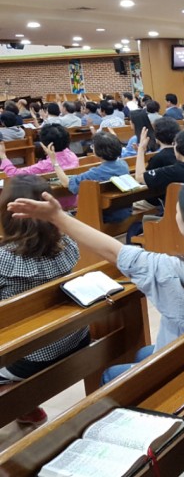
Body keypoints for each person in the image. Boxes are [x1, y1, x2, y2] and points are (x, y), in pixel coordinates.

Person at [8, 177, 184, 401]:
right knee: (142, 353)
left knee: (111, 376)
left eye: (177, 211)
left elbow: (112, 250)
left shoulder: (172, 271)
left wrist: (57, 216)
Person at [0, 175, 84, 427]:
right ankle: (28, 408)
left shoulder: (4, 258)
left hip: (28, 356)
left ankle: (20, 402)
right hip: (74, 337)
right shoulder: (66, 243)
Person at [47, 132, 132, 223]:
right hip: (124, 210)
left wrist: (54, 161)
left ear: (98, 151)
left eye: (93, 146)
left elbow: (66, 183)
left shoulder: (96, 173)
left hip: (104, 215)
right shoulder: (123, 164)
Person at [0, 124, 79, 209]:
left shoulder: (45, 165)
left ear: (44, 145)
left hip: (52, 205)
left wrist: (3, 156)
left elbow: (14, 175)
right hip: (74, 200)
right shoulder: (72, 155)